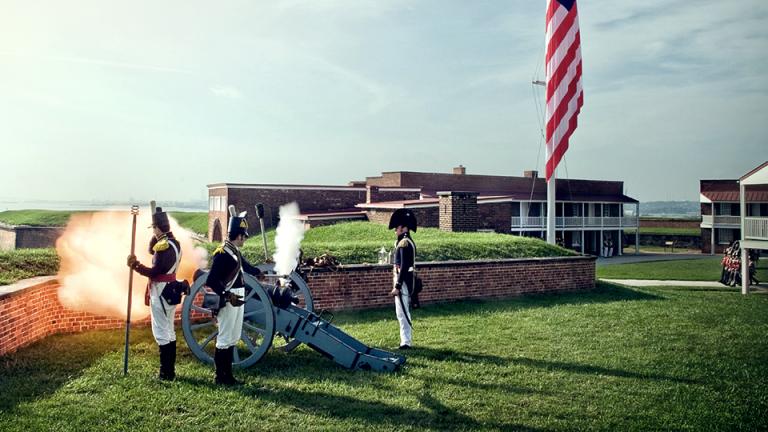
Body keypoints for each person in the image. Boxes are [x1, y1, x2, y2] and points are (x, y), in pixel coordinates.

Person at [205, 206, 263, 385]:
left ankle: (228, 375)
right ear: (238, 236)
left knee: (233, 336)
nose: (245, 239)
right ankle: (220, 377)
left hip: (238, 296)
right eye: (244, 236)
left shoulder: (235, 251)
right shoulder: (222, 254)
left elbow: (245, 266)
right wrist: (225, 294)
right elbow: (211, 280)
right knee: (224, 337)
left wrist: (259, 271)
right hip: (229, 297)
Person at [127, 203, 182, 381]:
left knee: (161, 332)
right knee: (170, 331)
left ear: (158, 228)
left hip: (160, 291)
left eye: (154, 229)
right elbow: (152, 249)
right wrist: (157, 234)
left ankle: (165, 373)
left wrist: (135, 265)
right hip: (171, 290)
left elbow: (154, 272)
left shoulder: (164, 246)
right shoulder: (175, 244)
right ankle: (169, 371)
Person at [388, 208, 417, 350]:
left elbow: (404, 266)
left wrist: (397, 286)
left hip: (403, 280)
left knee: (402, 312)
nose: (395, 231)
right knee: (402, 311)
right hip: (404, 279)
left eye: (396, 228)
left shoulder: (404, 243)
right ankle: (405, 340)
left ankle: (405, 342)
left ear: (402, 227)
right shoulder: (405, 241)